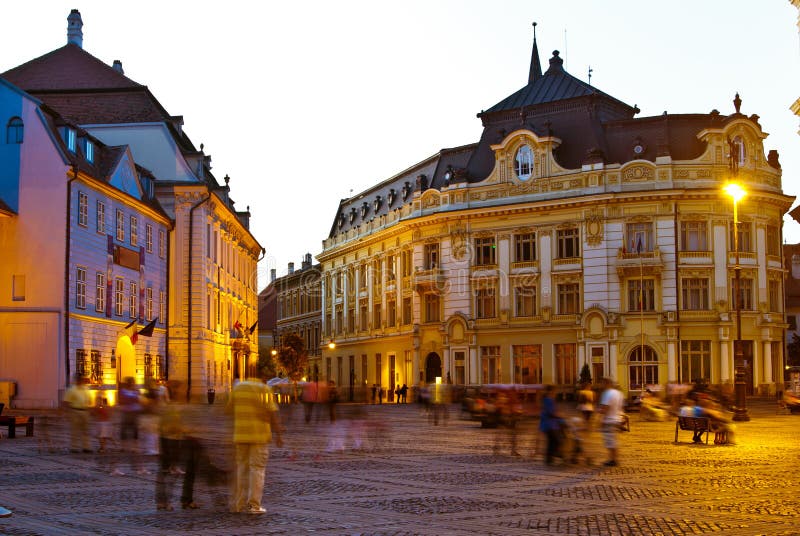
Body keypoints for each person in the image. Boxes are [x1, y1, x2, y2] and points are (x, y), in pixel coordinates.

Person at [226, 372, 283, 514]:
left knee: (241, 469)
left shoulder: (238, 389)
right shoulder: (263, 389)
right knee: (257, 470)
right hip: (259, 436)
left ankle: (238, 504)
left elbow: (228, 410)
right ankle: (254, 506)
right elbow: (272, 413)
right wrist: (279, 435)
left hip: (240, 435)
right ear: (262, 378)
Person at [597, 377, 624, 467]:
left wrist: (600, 418)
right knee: (613, 440)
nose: (601, 385)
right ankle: (614, 459)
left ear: (606, 384)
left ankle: (613, 459)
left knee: (609, 441)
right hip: (616, 419)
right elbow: (620, 407)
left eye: (602, 383)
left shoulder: (607, 393)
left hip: (609, 420)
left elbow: (605, 407)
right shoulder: (618, 393)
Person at [63, 375, 92, 453]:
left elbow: (89, 400)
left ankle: (86, 447)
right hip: (75, 411)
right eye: (80, 380)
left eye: (82, 379)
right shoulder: (71, 390)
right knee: (75, 430)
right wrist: (66, 413)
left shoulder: (86, 389)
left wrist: (90, 409)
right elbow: (66, 402)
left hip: (85, 411)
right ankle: (74, 447)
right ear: (77, 380)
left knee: (86, 430)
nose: (81, 381)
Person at [539, 385, 562, 465]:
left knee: (551, 441)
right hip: (549, 424)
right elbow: (551, 412)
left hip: (549, 424)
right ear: (550, 391)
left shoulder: (547, 400)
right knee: (555, 441)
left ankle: (549, 459)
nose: (555, 393)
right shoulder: (548, 400)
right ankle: (552, 456)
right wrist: (559, 416)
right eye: (554, 391)